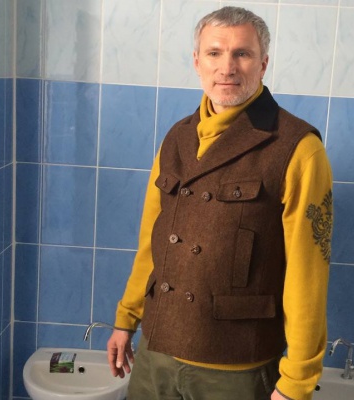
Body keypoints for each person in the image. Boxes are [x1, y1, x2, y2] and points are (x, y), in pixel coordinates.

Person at [106, 6, 333, 400]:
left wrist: (297, 381)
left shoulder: (298, 148)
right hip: (157, 349)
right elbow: (151, 244)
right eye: (214, 53)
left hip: (236, 362)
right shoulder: (176, 138)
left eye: (242, 54)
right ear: (197, 62)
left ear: (263, 64)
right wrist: (126, 319)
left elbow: (307, 275)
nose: (227, 67)